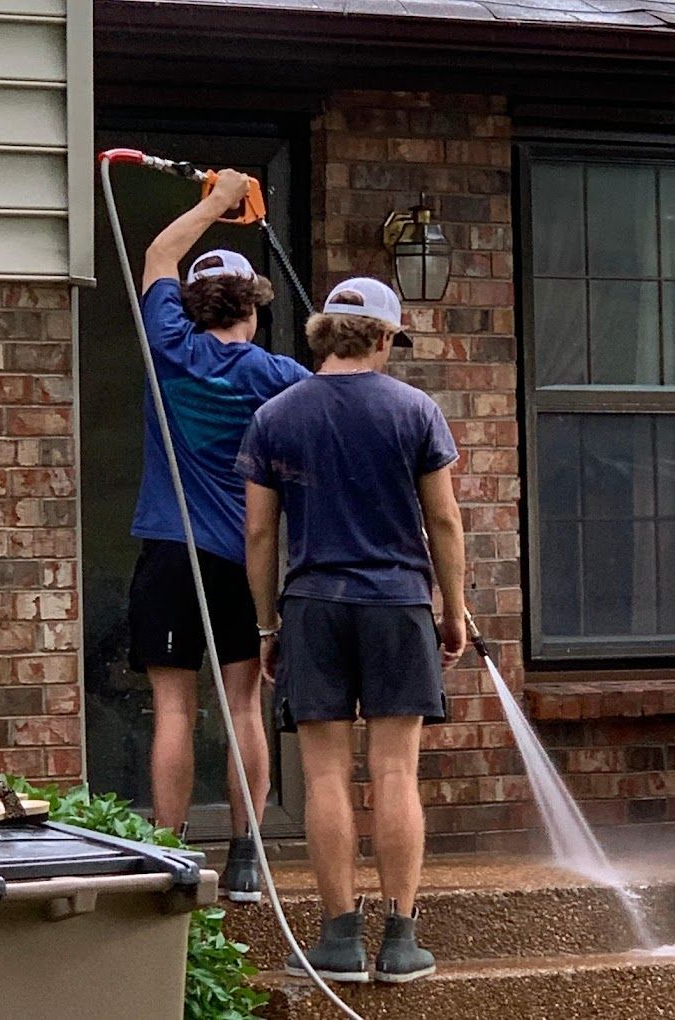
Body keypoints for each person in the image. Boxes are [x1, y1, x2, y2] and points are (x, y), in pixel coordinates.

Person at [237, 277, 466, 980]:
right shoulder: (414, 410)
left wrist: (268, 623)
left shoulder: (275, 415)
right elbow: (445, 521)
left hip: (313, 606)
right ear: (384, 336)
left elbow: (257, 532)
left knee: (325, 775)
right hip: (397, 603)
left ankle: (338, 940)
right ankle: (400, 940)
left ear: (322, 334)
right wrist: (450, 610)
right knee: (395, 770)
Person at [128, 169, 310, 902]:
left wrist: (216, 200)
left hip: (169, 552)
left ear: (193, 304)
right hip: (242, 556)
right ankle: (243, 854)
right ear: (254, 308)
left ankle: (172, 855)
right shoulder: (281, 376)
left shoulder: (167, 344)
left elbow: (158, 257)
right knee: (243, 708)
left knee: (174, 707)